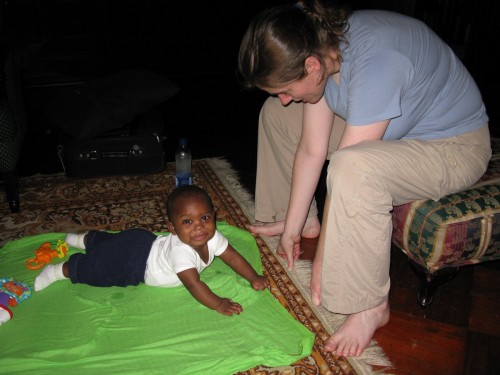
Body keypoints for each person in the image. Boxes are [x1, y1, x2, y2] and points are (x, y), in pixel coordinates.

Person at [238, 0, 491, 357]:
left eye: (284, 88)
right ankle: (296, 220)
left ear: (311, 66)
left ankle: (370, 304)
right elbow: (312, 148)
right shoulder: (322, 51)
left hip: (453, 147)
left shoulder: (377, 61)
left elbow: (347, 163)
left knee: (352, 168)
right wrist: (295, 227)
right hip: (400, 130)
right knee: (278, 118)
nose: (283, 98)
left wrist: (323, 265)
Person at [34, 185, 269, 316]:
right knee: (100, 269)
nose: (199, 226)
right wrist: (218, 304)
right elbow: (194, 284)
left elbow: (232, 256)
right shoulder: (181, 252)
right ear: (172, 228)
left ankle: (87, 239)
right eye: (187, 222)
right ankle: (61, 270)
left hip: (144, 241)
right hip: (136, 264)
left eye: (205, 218)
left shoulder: (213, 236)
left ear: (213, 217)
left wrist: (252, 276)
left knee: (111, 245)